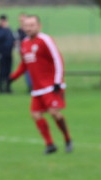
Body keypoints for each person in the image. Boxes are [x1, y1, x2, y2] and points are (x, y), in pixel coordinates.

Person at [9, 15, 72, 154]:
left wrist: (57, 81)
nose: (29, 28)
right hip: (37, 89)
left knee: (54, 113)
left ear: (39, 26)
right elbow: (25, 63)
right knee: (35, 114)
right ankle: (50, 144)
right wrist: (12, 77)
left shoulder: (45, 40)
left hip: (51, 85)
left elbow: (58, 59)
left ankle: (67, 138)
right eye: (26, 25)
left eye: (32, 25)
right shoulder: (24, 43)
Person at [0, 14, 16, 94]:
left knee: (8, 71)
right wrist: (5, 29)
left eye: (4, 21)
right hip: (1, 53)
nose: (3, 23)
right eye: (2, 21)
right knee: (1, 71)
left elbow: (13, 39)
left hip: (9, 53)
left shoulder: (9, 30)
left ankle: (7, 87)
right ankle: (0, 88)